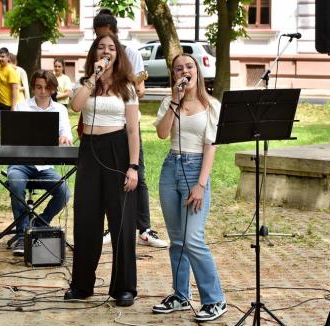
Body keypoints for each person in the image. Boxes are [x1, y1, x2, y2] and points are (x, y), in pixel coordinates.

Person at [64, 33, 139, 307]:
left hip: (117, 150)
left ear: (117, 55)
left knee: (121, 221)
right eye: (101, 48)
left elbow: (133, 130)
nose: (106, 52)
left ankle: (123, 287)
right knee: (86, 219)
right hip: (90, 152)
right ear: (94, 55)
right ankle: (82, 285)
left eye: (111, 48)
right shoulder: (86, 83)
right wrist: (93, 79)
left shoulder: (126, 87)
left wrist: (133, 166)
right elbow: (75, 106)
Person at [151, 53, 226, 322]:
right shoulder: (169, 102)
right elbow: (162, 134)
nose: (184, 70)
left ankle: (215, 299)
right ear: (174, 75)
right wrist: (174, 100)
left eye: (189, 66)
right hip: (170, 169)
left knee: (193, 239)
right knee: (178, 241)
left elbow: (211, 147)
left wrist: (201, 185)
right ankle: (181, 296)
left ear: (197, 71)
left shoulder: (211, 106)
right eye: (178, 68)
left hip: (196, 170)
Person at [93, 9, 167, 248]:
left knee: (138, 173)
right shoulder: (93, 57)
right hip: (103, 125)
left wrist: (128, 89)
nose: (104, 48)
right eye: (98, 39)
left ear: (115, 34)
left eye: (107, 39)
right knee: (107, 176)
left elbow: (141, 88)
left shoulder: (130, 53)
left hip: (127, 121)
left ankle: (144, 228)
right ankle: (109, 227)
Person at [8, 70, 72, 256]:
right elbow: (12, 137)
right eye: (38, 87)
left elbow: (68, 136)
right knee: (15, 181)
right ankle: (22, 235)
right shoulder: (22, 106)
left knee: (64, 191)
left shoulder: (60, 109)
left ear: (53, 89)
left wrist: (64, 138)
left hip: (45, 165)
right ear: (33, 87)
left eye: (47, 88)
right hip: (21, 163)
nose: (43, 91)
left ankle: (37, 224)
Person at [0, 47, 20, 116]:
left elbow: (14, 90)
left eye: (3, 57)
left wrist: (13, 107)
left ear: (8, 57)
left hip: (7, 105)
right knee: (2, 125)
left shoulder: (11, 71)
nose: (0, 58)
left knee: (8, 126)